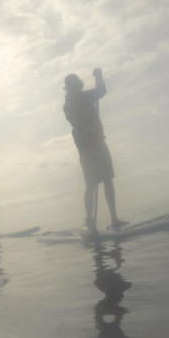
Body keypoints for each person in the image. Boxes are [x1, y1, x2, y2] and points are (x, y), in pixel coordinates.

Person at [63, 69, 127, 231]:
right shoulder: (79, 99)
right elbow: (100, 91)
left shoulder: (78, 99)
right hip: (89, 145)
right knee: (95, 183)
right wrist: (98, 76)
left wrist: (98, 77)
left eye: (75, 84)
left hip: (93, 143)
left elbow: (100, 92)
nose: (76, 86)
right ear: (71, 86)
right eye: (73, 85)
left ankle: (108, 219)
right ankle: (95, 221)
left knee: (102, 181)